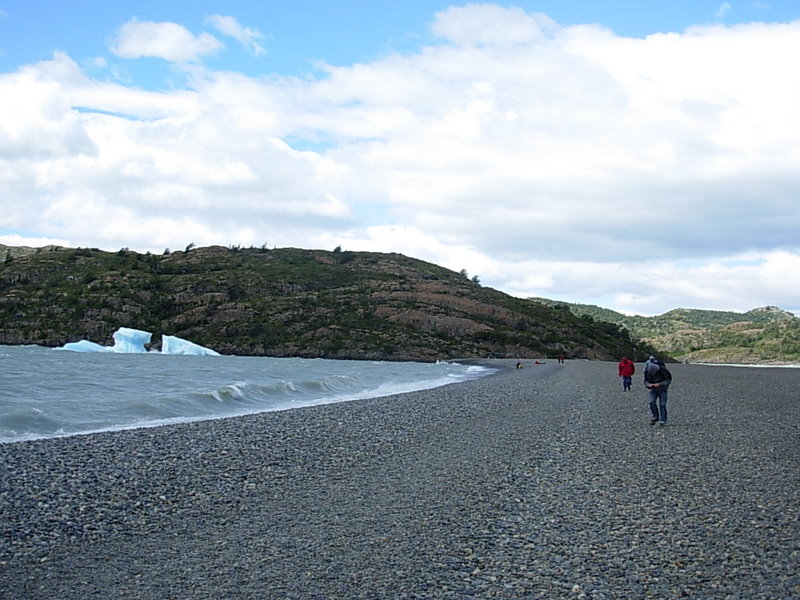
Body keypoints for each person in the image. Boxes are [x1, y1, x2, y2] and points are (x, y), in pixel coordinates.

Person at [643, 356, 672, 426]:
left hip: (663, 390)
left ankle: (663, 420)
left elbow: (668, 380)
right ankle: (655, 416)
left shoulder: (663, 370)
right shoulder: (647, 371)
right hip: (653, 389)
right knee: (651, 402)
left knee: (662, 405)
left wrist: (659, 384)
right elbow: (645, 381)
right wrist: (648, 385)